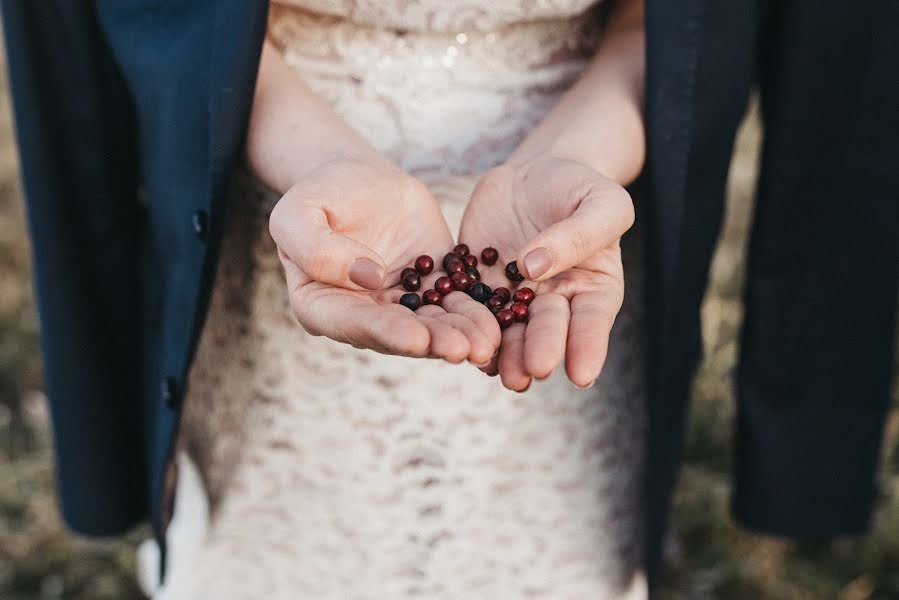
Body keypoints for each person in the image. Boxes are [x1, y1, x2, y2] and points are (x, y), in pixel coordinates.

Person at [2, 0, 895, 597]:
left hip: (563, 210)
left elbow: (673, 20)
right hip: (277, 197)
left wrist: (583, 160)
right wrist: (309, 159)